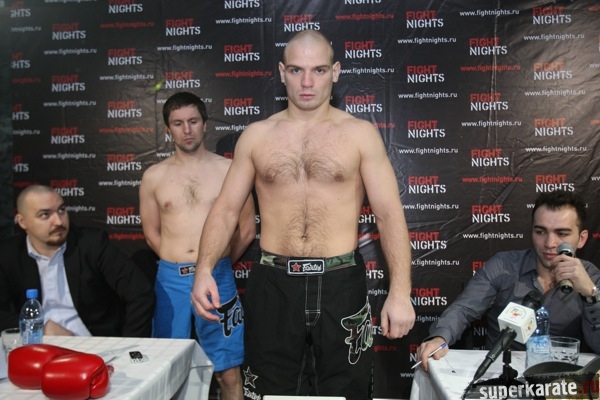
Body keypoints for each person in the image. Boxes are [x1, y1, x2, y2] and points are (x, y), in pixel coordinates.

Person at [191, 29, 415, 399]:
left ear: (335, 72)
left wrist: (401, 292)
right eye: (296, 70)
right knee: (267, 392)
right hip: (274, 285)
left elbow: (389, 214)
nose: (307, 82)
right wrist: (203, 270)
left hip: (341, 283)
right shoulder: (257, 136)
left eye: (319, 70)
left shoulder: (360, 135)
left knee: (348, 392)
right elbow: (227, 209)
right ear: (282, 73)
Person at [139, 91, 255, 400]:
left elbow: (246, 229)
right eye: (178, 123)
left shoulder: (230, 171)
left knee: (228, 371)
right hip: (170, 280)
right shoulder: (153, 177)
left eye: (193, 121)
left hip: (218, 277)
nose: (187, 130)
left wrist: (216, 264)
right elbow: (151, 234)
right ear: (168, 129)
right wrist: (180, 263)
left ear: (205, 124)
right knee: (166, 368)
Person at [417, 189, 600, 372]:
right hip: (501, 376)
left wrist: (591, 295)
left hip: (563, 379)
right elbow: (464, 309)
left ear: (581, 239)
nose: (549, 243)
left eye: (562, 234)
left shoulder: (591, 277)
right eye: (540, 232)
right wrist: (440, 338)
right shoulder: (503, 266)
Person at [0, 184, 155, 337]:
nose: (58, 221)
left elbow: (140, 293)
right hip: (35, 343)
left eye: (61, 210)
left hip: (91, 344)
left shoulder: (92, 244)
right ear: (22, 221)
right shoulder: (8, 254)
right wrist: (38, 327)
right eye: (45, 215)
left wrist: (130, 345)